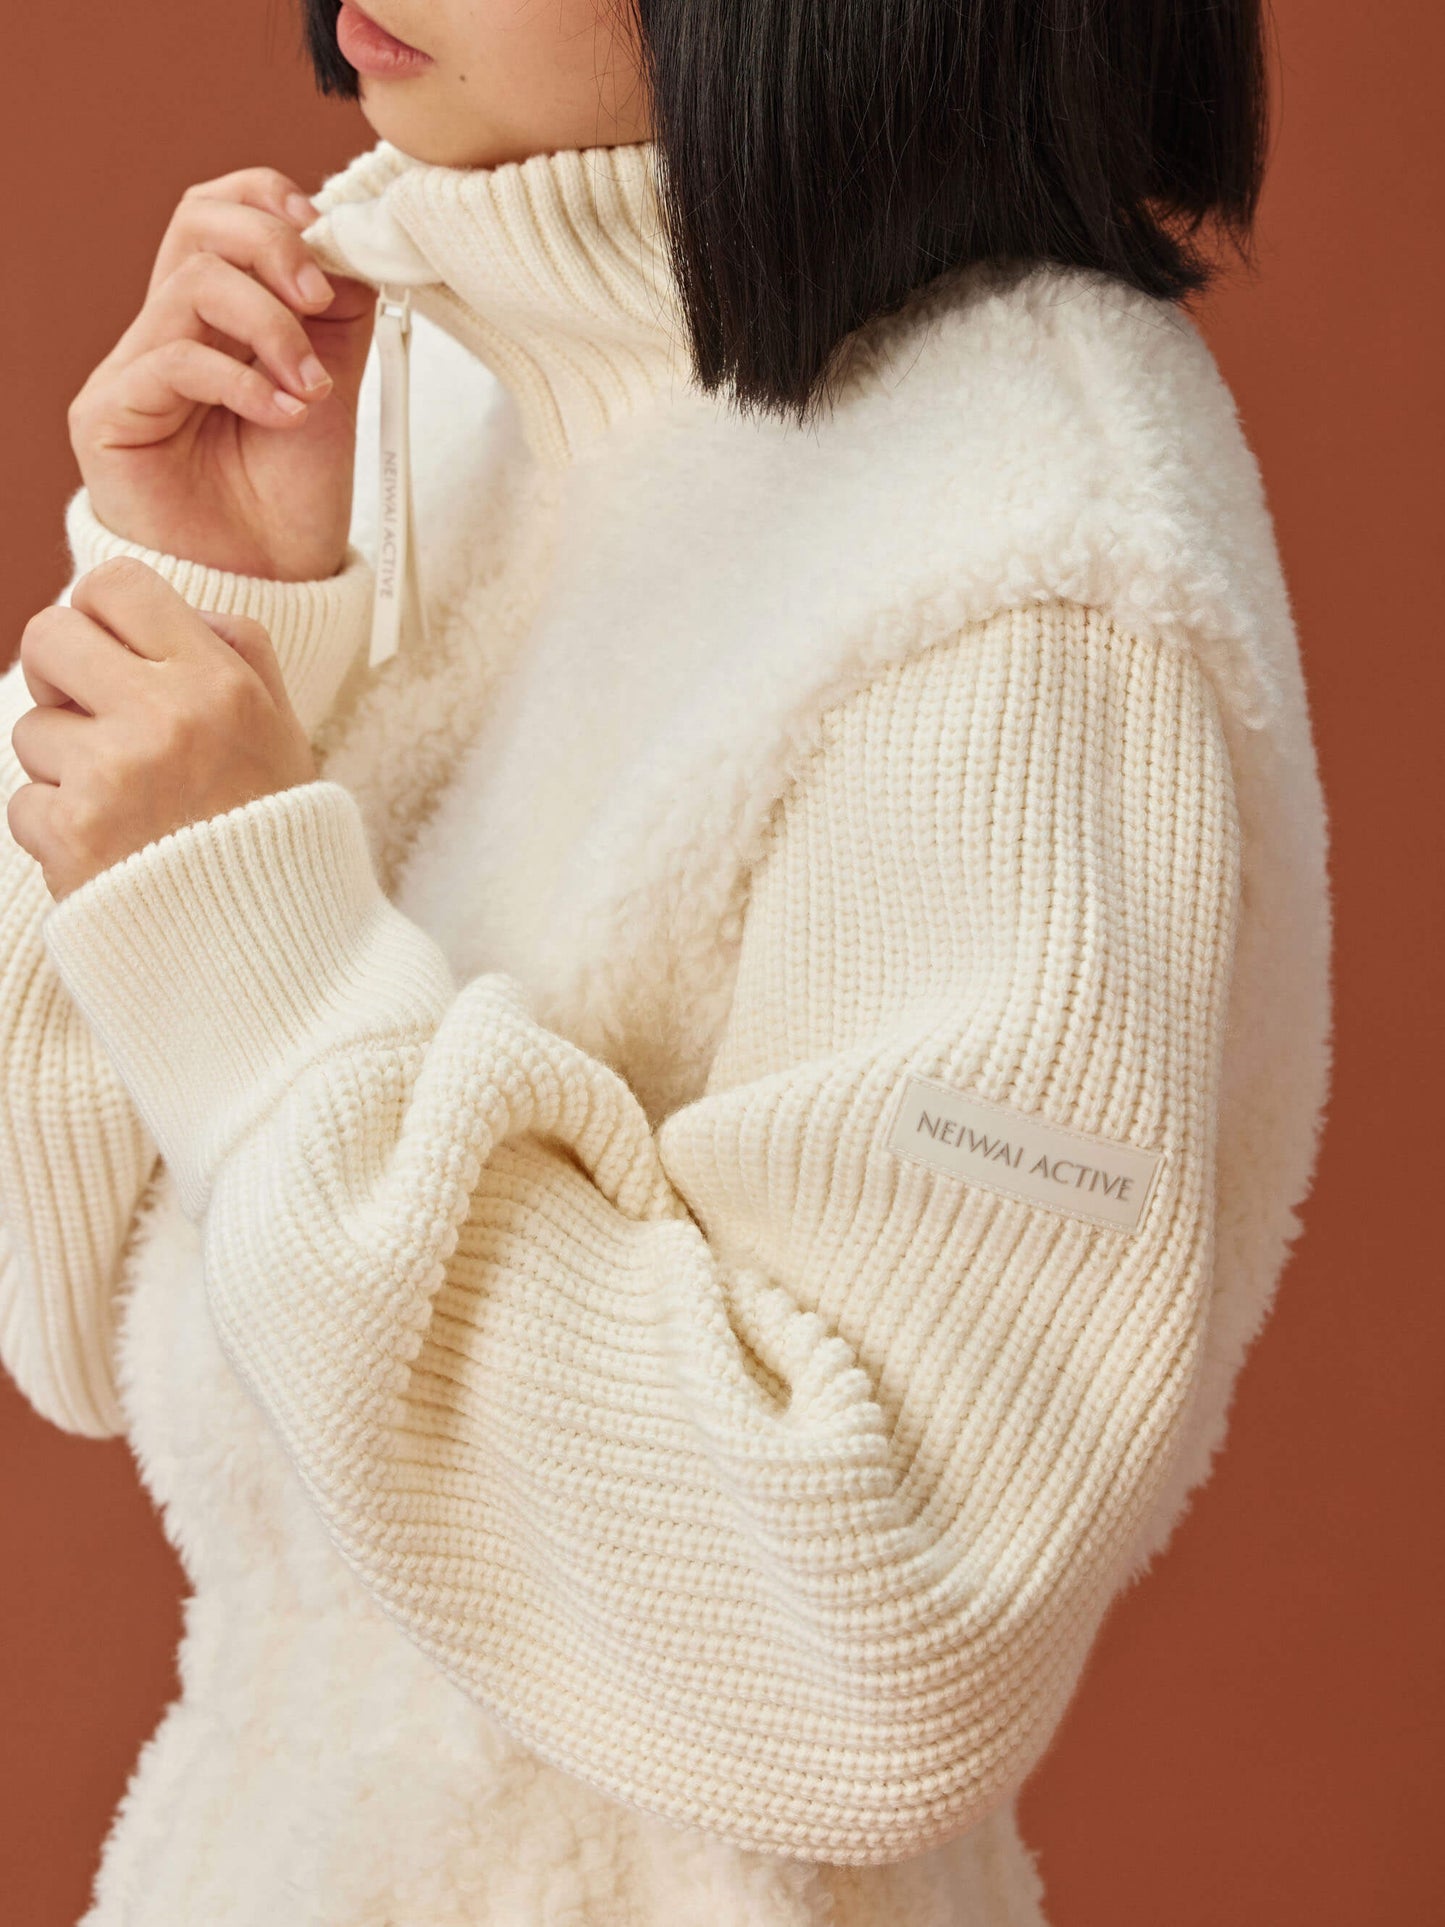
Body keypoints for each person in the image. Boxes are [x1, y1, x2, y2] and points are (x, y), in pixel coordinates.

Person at [0, 1, 1333, 1921]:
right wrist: (217, 603)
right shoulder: (453, 373)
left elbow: (877, 1650)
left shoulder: (1030, 581)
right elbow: (60, 1301)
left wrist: (260, 940)